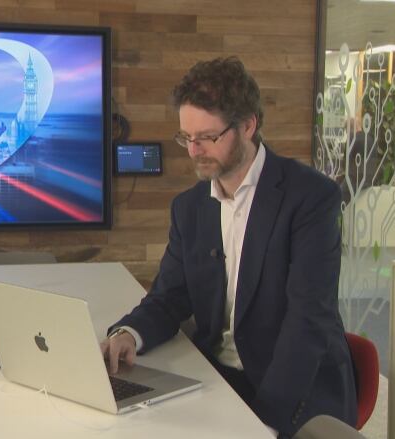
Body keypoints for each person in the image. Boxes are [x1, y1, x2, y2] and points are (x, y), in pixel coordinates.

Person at [101, 56, 357, 438]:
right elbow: (169, 297)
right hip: (218, 377)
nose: (193, 150)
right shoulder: (189, 208)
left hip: (293, 387)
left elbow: (308, 321)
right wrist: (128, 334)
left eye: (206, 137)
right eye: (186, 137)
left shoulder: (311, 198)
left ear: (248, 126)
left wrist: (260, 421)